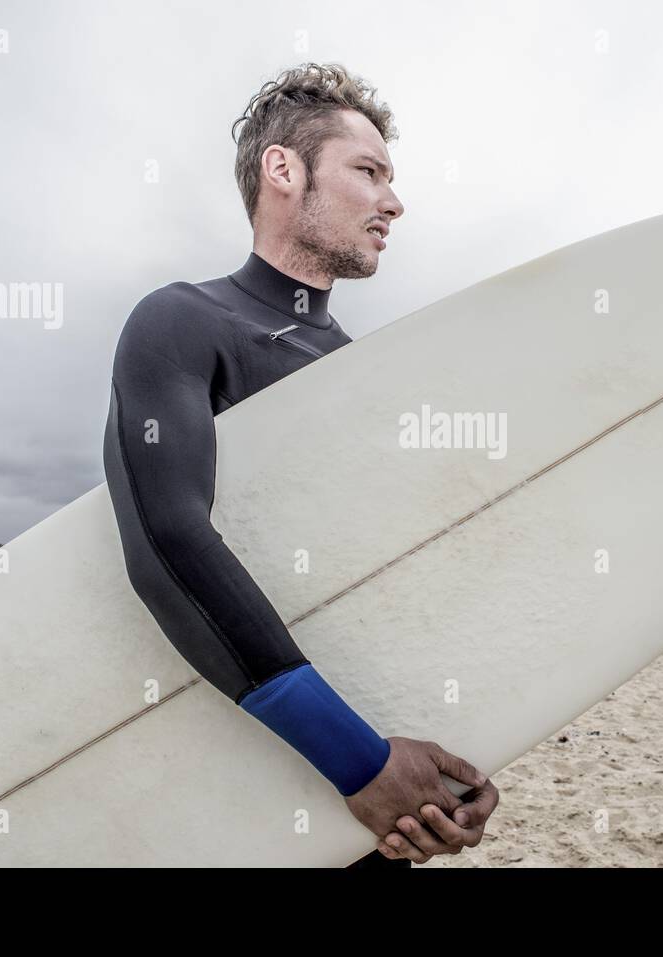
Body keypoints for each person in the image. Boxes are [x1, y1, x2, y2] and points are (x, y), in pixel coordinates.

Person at [102, 63, 498, 868]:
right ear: (283, 169)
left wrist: (468, 766)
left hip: (362, 810)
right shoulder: (182, 321)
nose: (394, 202)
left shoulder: (363, 375)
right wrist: (361, 760)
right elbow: (168, 541)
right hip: (292, 767)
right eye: (369, 171)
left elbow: (403, 583)